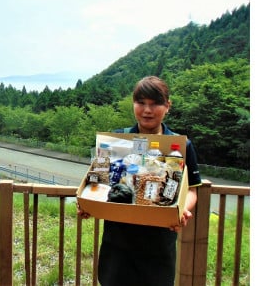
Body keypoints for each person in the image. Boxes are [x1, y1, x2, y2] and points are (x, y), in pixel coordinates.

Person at [77, 75, 202, 286]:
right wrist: (89, 202)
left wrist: (181, 212)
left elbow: (191, 191)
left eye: (155, 104)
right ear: (133, 104)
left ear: (167, 106)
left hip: (159, 245)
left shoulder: (181, 146)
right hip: (117, 244)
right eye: (141, 103)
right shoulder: (116, 141)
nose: (147, 110)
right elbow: (97, 183)